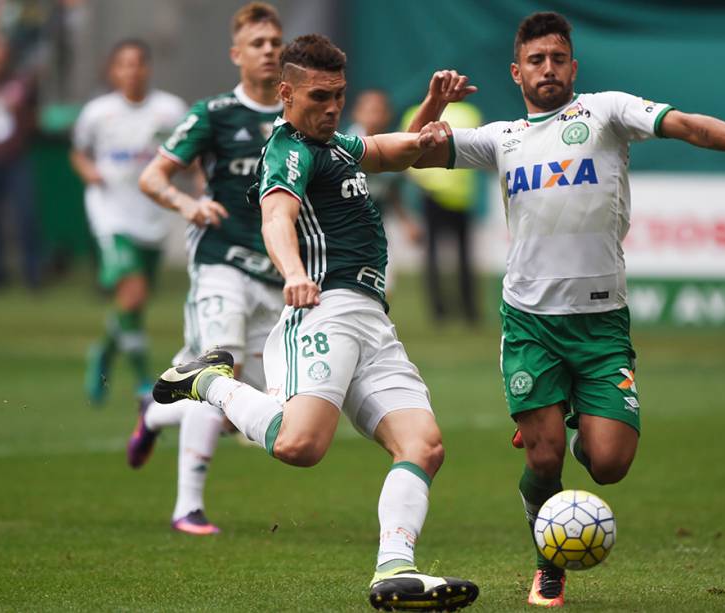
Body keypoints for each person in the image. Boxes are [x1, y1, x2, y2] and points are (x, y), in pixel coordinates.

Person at [410, 11, 725, 607]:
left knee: (608, 464)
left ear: (573, 66)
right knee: (545, 458)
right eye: (535, 60)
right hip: (530, 323)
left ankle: (564, 415)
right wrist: (432, 108)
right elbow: (416, 153)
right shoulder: (502, 138)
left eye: (557, 59)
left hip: (601, 325)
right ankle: (548, 558)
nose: (547, 69)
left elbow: (686, 126)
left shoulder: (604, 112)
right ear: (516, 71)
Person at [152, 34, 480, 611]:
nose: (332, 108)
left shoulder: (336, 144)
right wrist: (294, 271)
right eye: (320, 97)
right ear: (287, 93)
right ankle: (208, 382)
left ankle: (393, 570)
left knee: (423, 446)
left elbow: (398, 151)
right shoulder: (288, 149)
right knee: (300, 446)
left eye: (339, 96)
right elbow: (277, 214)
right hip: (324, 307)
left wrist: (433, 111)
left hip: (373, 321)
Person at [131, 2, 285, 535]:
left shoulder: (300, 115)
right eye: (258, 44)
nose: (269, 51)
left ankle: (152, 414)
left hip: (279, 276)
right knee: (220, 374)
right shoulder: (215, 113)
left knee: (262, 405)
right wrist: (187, 204)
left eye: (275, 42)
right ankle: (187, 508)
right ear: (236, 54)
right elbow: (153, 176)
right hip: (221, 262)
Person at [71, 39, 187, 403]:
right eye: (124, 64)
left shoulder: (170, 110)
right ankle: (142, 381)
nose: (132, 70)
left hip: (152, 213)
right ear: (113, 70)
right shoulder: (97, 112)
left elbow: (187, 151)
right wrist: (89, 171)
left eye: (138, 63)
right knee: (132, 292)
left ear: (148, 68)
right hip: (112, 213)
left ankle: (104, 351)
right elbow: (79, 151)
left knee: (133, 301)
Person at [401, 100, 483, 323]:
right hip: (444, 195)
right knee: (455, 257)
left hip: (448, 195)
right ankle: (463, 311)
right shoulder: (470, 112)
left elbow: (407, 154)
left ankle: (446, 312)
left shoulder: (414, 112)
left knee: (443, 257)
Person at [347, 89, 422, 292]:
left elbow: (391, 191)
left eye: (380, 110)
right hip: (345, 228)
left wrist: (407, 222)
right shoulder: (342, 147)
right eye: (370, 110)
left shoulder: (391, 146)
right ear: (357, 113)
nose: (375, 116)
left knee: (384, 285)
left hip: (379, 225)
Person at [0, 33, 40, 289]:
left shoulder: (20, 85)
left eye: (0, 50)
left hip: (15, 158)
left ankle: (32, 273)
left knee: (26, 214)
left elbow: (35, 117)